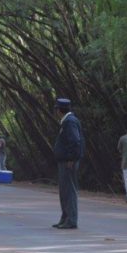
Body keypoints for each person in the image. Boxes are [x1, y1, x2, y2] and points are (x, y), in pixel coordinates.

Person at [52, 98, 83, 230]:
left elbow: (75, 141)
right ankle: (65, 218)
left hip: (68, 162)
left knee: (69, 190)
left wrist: (71, 158)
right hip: (64, 161)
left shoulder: (70, 122)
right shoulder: (67, 121)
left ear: (59, 110)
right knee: (64, 191)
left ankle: (71, 220)